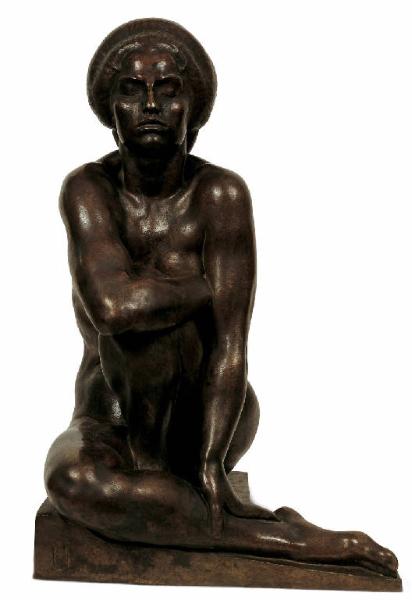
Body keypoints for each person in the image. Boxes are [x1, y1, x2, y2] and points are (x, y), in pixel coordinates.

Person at [44, 18, 397, 576]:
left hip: (206, 414)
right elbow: (112, 308)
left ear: (194, 108)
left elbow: (232, 346)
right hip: (112, 419)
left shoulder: (220, 195)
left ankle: (183, 507)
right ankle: (287, 539)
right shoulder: (89, 189)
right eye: (132, 91)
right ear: (110, 112)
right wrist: (197, 289)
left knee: (162, 336)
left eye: (169, 90)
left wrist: (210, 463)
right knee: (70, 480)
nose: (151, 105)